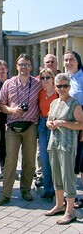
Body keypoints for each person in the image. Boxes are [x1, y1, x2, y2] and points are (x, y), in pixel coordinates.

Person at [0, 53, 41, 206]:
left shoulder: (37, 84)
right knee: (10, 161)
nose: (24, 67)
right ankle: (6, 193)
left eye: (27, 64)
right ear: (16, 66)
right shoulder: (8, 83)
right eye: (21, 64)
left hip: (30, 127)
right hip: (13, 127)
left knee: (29, 161)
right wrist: (11, 110)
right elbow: (1, 105)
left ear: (31, 66)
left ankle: (26, 190)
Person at [45, 73, 83, 225]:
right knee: (57, 176)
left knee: (68, 177)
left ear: (69, 87)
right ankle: (59, 205)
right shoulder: (54, 103)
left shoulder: (74, 104)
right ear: (55, 86)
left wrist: (63, 123)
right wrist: (50, 124)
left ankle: (70, 211)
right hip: (54, 144)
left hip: (67, 145)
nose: (62, 89)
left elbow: (81, 124)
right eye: (59, 86)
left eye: (65, 86)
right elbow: (48, 119)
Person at [64, 51, 83, 209]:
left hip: (80, 123)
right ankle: (71, 195)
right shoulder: (64, 78)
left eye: (71, 59)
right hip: (66, 125)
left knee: (82, 163)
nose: (68, 62)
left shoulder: (82, 78)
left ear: (78, 61)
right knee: (71, 162)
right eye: (66, 60)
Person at [38, 68, 57, 201]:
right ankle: (47, 188)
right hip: (42, 125)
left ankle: (56, 189)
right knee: (44, 158)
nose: (45, 80)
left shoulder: (58, 93)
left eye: (47, 77)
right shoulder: (40, 93)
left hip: (54, 126)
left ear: (52, 78)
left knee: (53, 158)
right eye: (43, 78)